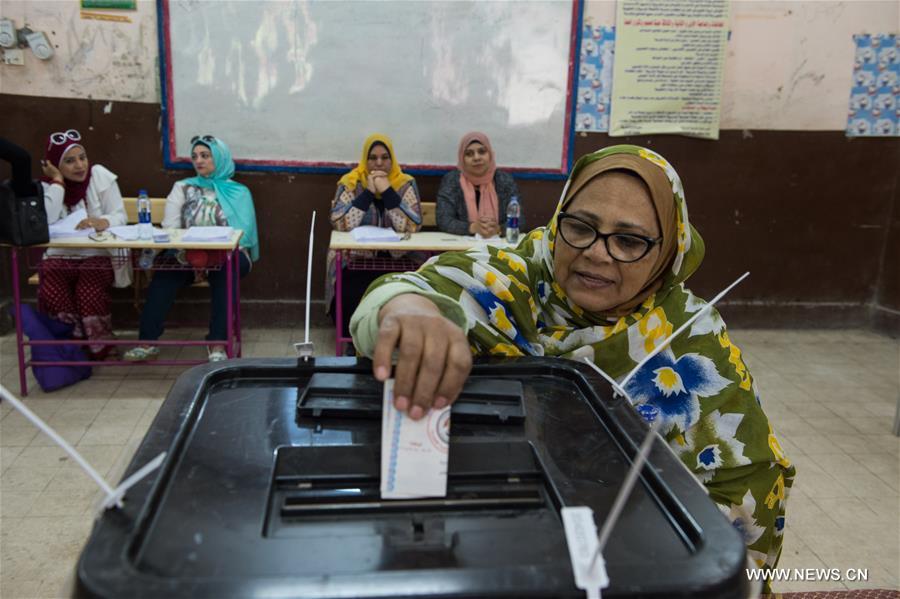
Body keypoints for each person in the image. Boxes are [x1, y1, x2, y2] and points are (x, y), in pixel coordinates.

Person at [350, 144, 794, 575]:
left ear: (666, 253)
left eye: (629, 240)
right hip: (501, 540)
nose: (597, 252)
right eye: (580, 226)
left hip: (636, 559)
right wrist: (407, 309)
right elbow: (406, 295)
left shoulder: (691, 339)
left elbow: (745, 488)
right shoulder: (517, 274)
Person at [124, 135, 258, 362]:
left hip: (227, 254)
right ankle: (147, 341)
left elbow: (243, 234)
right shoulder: (183, 187)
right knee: (165, 273)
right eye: (195, 156)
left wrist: (216, 246)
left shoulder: (239, 192)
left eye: (205, 156)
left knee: (226, 274)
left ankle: (218, 343)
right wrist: (188, 247)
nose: (199, 161)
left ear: (219, 158)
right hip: (186, 252)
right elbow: (171, 226)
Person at [38, 128, 130, 360]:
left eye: (82, 158)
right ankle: (71, 345)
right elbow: (45, 221)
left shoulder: (99, 177)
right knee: (52, 286)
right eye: (69, 161)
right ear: (56, 166)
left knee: (87, 291)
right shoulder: (48, 188)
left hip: (96, 253)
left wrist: (102, 221)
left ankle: (100, 345)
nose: (80, 165)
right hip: (61, 255)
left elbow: (120, 216)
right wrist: (58, 183)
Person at [327, 133, 422, 343]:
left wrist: (387, 191)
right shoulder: (350, 183)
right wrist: (368, 193)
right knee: (351, 292)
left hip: (398, 259)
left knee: (404, 291)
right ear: (365, 160)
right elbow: (340, 223)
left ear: (392, 159)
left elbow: (411, 225)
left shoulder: (405, 184)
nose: (378, 163)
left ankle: (399, 339)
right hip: (357, 259)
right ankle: (354, 340)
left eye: (384, 157)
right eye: (372, 158)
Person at [436, 131, 522, 238]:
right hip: (459, 249)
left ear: (490, 154)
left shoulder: (504, 180)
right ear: (462, 159)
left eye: (482, 152)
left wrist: (499, 229)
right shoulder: (452, 180)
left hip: (498, 247)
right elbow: (443, 220)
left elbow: (520, 220)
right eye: (469, 154)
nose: (476, 158)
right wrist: (473, 227)